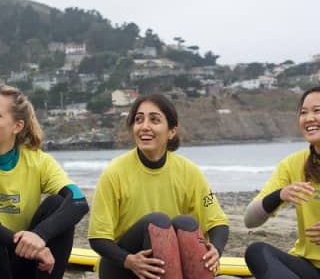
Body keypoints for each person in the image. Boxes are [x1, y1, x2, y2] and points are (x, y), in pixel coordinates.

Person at [88, 94, 229, 279]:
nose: (145, 126)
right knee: (158, 221)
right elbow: (98, 238)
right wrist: (130, 260)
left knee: (186, 224)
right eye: (139, 120)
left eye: (154, 120)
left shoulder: (189, 172)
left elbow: (218, 222)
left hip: (172, 267)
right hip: (123, 268)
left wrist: (216, 250)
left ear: (171, 131)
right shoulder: (114, 172)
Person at [0, 84, 89, 279]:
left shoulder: (37, 161)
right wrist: (29, 245)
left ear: (17, 126)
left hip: (21, 260)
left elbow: (79, 201)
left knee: (57, 204)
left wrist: (40, 235)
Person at [244, 86, 320, 279]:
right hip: (309, 268)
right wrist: (279, 195)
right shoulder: (293, 164)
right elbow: (250, 220)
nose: (309, 118)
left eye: (317, 111)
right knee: (256, 251)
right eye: (303, 112)